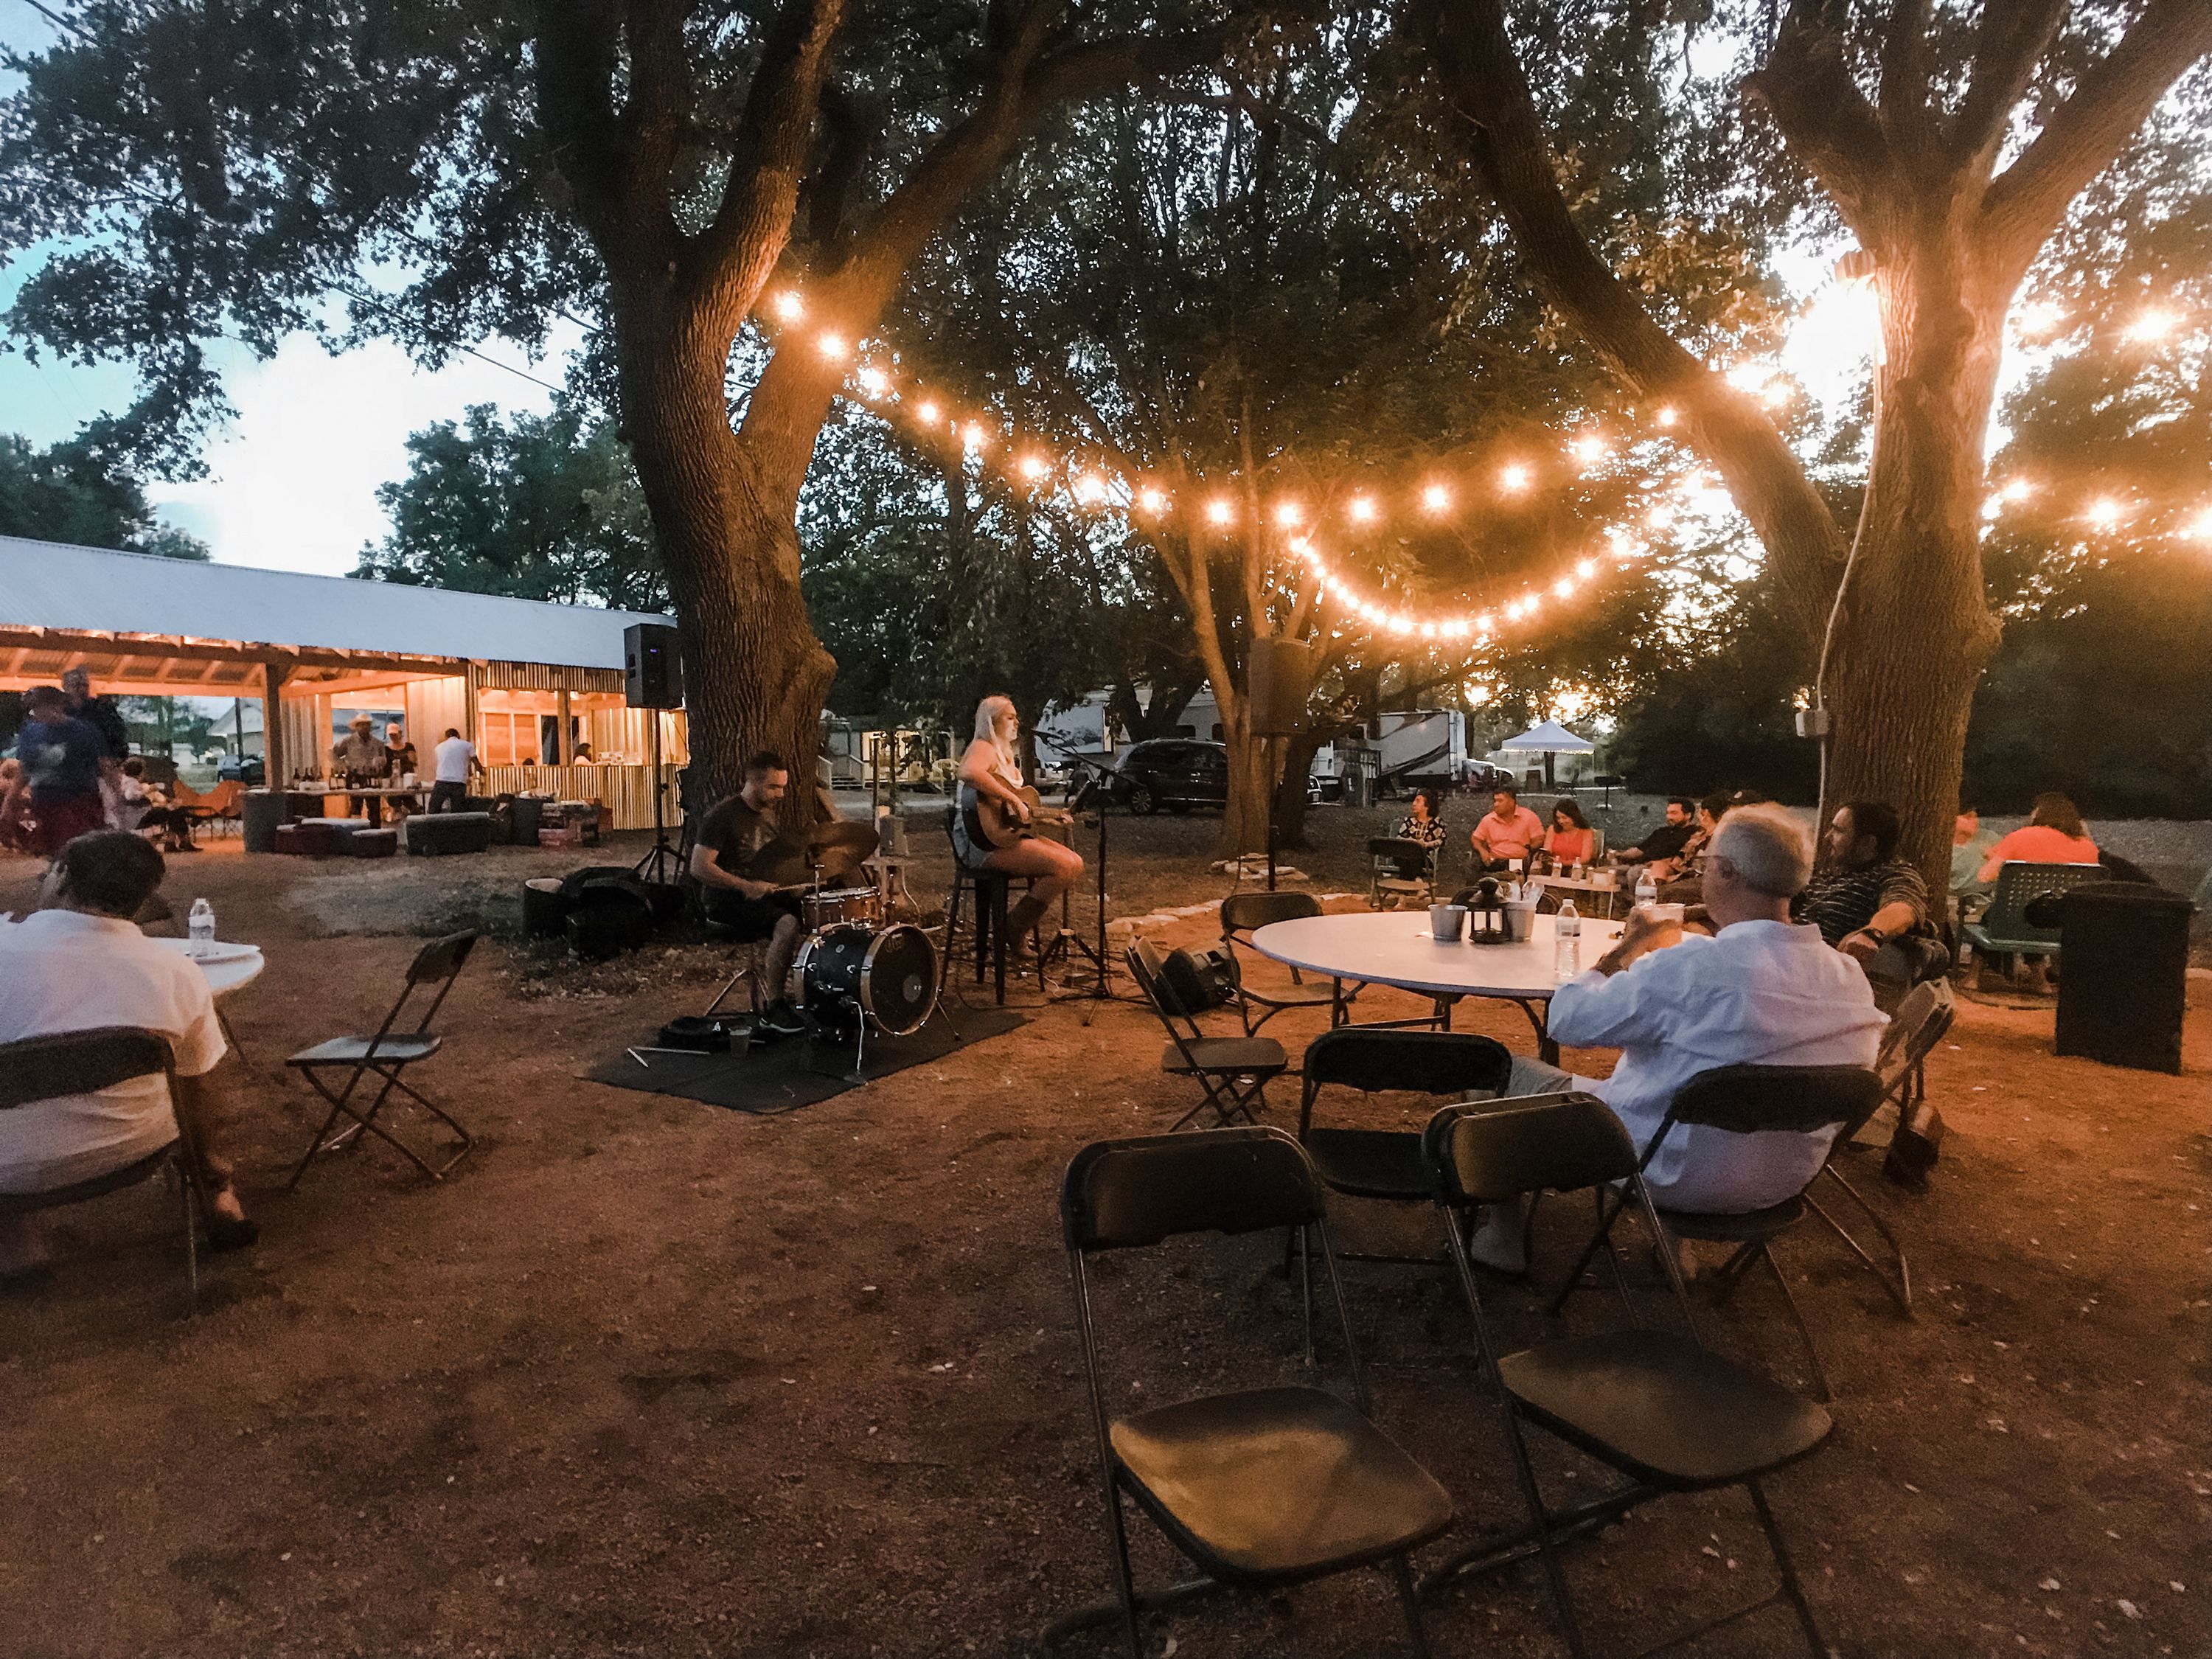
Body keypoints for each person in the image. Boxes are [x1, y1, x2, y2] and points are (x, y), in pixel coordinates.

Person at [1468, 804, 1885, 1273]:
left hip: (1661, 1171)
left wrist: (1627, 948)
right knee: (1692, 1085)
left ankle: (1502, 1240)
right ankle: (1672, 1250)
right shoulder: (1849, 978)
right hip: (1782, 1180)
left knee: (1492, 1071)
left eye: (1708, 865)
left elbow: (1567, 1020)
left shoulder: (1689, 971)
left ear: (1725, 872)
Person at [0, 832, 258, 1280]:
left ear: (61, 876)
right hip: (133, 1145)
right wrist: (213, 1166)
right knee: (190, 1083)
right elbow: (199, 1094)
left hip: (6, 1165)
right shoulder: (177, 973)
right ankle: (217, 1195)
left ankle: (18, 1239)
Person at [689, 752, 813, 1036]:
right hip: (725, 899)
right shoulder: (722, 816)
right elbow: (698, 867)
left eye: (783, 787)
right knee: (787, 924)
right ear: (752, 781)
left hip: (760, 892)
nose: (781, 794)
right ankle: (774, 1006)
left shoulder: (768, 815)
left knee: (814, 908)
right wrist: (744, 886)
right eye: (774, 787)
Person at [952, 695, 1085, 953]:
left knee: (1074, 863)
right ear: (992, 722)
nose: (1017, 723)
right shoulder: (984, 747)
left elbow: (1016, 816)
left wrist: (1049, 818)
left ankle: (1013, 926)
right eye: (1009, 718)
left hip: (1005, 837)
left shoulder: (1005, 755)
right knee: (1063, 866)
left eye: (1016, 717)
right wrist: (1011, 797)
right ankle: (1013, 928)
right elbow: (968, 772)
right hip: (981, 844)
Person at [1796, 800, 1945, 992]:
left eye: (1839, 831)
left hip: (1820, 980)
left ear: (1868, 842)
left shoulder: (1894, 874)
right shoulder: (1832, 875)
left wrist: (1872, 934)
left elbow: (1902, 908)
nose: (1827, 837)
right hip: (1790, 961)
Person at [4, 686, 110, 859]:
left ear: (57, 706)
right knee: (53, 851)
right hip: (44, 803)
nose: (34, 714)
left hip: (78, 802)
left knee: (74, 850)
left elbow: (104, 766)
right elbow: (24, 771)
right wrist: (9, 803)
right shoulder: (30, 732)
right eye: (32, 709)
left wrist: (117, 797)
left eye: (38, 708)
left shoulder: (83, 732)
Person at [60, 667, 131, 828]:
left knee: (105, 817)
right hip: (68, 775)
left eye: (84, 685)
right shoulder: (61, 713)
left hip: (98, 772)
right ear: (66, 687)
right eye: (76, 685)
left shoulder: (100, 710)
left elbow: (115, 739)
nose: (81, 689)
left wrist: (113, 765)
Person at [1977, 791, 2099, 883]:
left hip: (2023, 913)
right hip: (2067, 913)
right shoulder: (2088, 848)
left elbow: (1985, 877)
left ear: (2038, 812)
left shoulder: (2021, 837)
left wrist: (1994, 857)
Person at [119, 758, 198, 853]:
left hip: (138, 814)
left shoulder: (128, 781)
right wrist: (151, 789)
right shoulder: (131, 783)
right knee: (175, 812)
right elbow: (130, 796)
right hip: (141, 816)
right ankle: (180, 840)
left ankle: (175, 841)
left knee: (174, 811)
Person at [1469, 785, 1545, 872]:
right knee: (1473, 865)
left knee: (1528, 868)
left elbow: (1539, 839)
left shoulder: (1529, 817)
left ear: (1512, 802)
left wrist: (1530, 849)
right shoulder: (1488, 819)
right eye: (1495, 801)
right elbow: (1476, 839)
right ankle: (1475, 886)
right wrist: (1482, 851)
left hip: (1519, 861)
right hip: (1495, 860)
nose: (1496, 805)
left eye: (1500, 801)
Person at [1612, 796, 1697, 867]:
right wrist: (1619, 854)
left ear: (1688, 815)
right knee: (1606, 873)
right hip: (1638, 865)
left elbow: (1680, 859)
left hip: (1657, 868)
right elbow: (1639, 850)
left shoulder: (1692, 834)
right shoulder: (1661, 832)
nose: (1669, 817)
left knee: (1633, 874)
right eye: (1668, 813)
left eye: (1674, 813)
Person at [1950, 804, 2000, 907]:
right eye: (1968, 817)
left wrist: (1995, 861)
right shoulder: (1940, 846)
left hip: (1986, 900)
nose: (1975, 821)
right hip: (1950, 901)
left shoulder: (1990, 838)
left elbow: (2009, 867)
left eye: (1975, 816)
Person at [428, 727, 483, 813]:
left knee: (433, 808)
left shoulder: (438, 747)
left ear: (446, 737)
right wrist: (481, 773)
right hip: (459, 782)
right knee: (458, 810)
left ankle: (432, 824)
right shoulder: (467, 745)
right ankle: (457, 825)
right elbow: (476, 764)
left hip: (442, 781)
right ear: (458, 735)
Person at [1539, 798, 1596, 869]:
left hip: (1576, 868)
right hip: (1554, 867)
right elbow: (1547, 850)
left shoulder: (1586, 832)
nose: (1561, 821)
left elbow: (1585, 858)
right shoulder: (1552, 829)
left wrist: (1564, 863)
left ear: (1574, 817)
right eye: (1558, 818)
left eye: (1564, 818)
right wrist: (1546, 856)